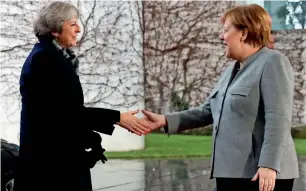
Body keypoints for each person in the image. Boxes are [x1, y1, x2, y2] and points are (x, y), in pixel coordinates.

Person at [142, 4, 299, 191]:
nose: (221, 36)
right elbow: (208, 110)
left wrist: (269, 164)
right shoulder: (230, 71)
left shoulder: (273, 61)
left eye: (226, 30)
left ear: (244, 33)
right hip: (230, 174)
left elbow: (278, 118)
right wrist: (164, 120)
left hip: (260, 175)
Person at [14, 1, 150, 191]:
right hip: (52, 168)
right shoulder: (46, 59)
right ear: (55, 30)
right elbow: (69, 113)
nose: (79, 29)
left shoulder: (50, 56)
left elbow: (62, 113)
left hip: (52, 163)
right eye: (72, 24)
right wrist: (118, 117)